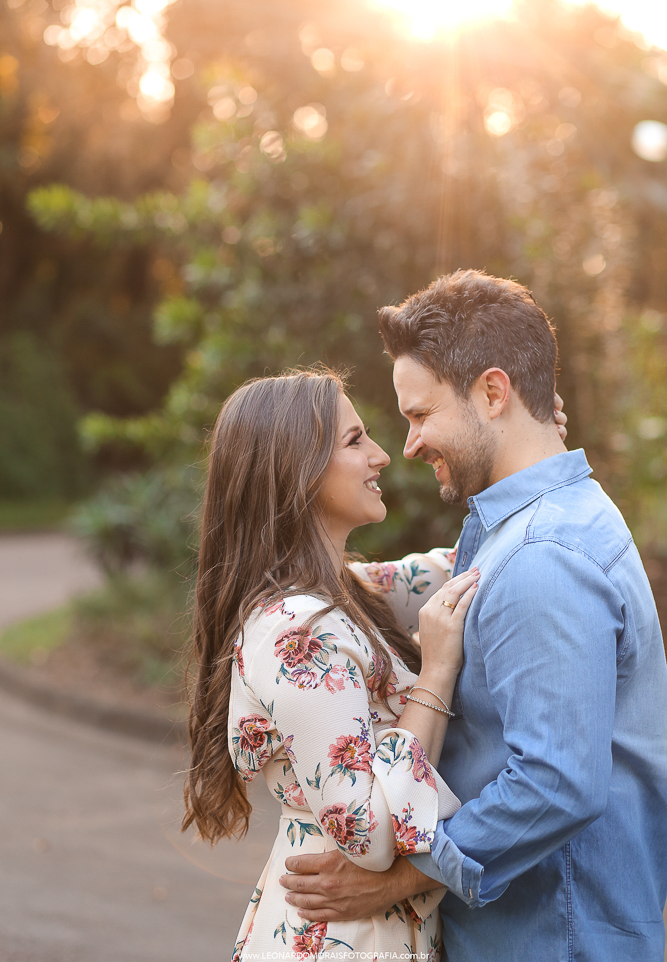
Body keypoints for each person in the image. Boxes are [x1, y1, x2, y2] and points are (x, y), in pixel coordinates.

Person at [281, 270, 667, 962]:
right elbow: (412, 580)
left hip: (553, 940)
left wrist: (399, 879)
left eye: (420, 415)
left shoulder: (543, 556)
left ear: (492, 392)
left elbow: (554, 784)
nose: (408, 445)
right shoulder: (519, 528)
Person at [182, 368, 484, 960]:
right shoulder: (297, 630)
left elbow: (461, 567)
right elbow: (367, 836)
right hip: (342, 937)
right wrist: (436, 674)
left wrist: (529, 457)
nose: (380, 456)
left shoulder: (344, 593)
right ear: (297, 471)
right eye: (354, 441)